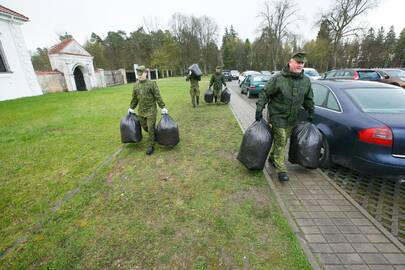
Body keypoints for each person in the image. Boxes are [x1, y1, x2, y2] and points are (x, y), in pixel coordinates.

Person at [255, 52, 314, 181]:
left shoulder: (306, 81)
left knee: (282, 141)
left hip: (292, 118)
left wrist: (311, 111)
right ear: (290, 62)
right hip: (277, 115)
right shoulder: (278, 78)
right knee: (281, 139)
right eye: (298, 62)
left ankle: (272, 157)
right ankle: (281, 169)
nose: (300, 65)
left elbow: (308, 98)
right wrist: (259, 108)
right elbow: (265, 93)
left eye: (302, 63)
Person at [128, 66, 168, 155]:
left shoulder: (151, 84)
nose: (140, 76)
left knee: (150, 128)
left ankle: (151, 145)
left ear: (146, 73)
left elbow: (157, 96)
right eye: (138, 75)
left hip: (151, 110)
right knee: (145, 127)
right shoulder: (135, 85)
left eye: (141, 74)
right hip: (141, 111)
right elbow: (134, 99)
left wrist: (163, 107)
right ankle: (155, 134)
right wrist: (131, 107)